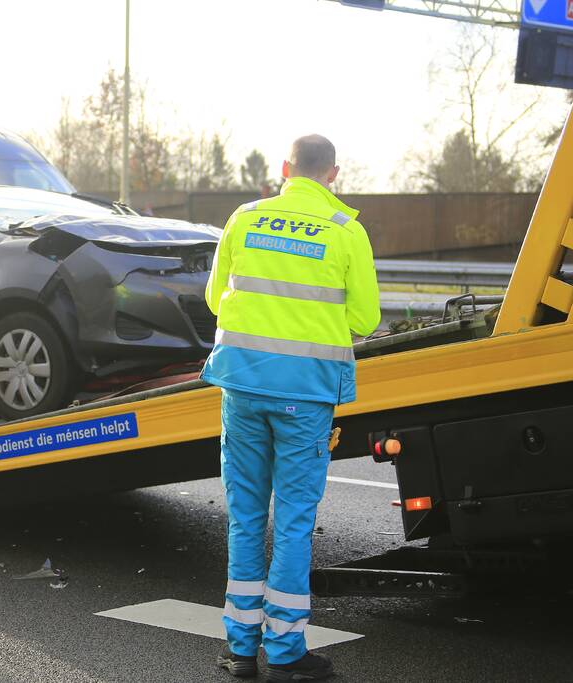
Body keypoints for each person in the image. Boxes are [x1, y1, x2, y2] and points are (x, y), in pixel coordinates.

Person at [202, 134, 380, 681]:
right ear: (333, 174)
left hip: (242, 388)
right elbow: (366, 319)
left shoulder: (244, 218)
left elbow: (215, 298)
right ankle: (284, 653)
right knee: (295, 522)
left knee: (246, 518)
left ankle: (239, 652)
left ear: (284, 169)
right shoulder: (346, 232)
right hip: (304, 395)